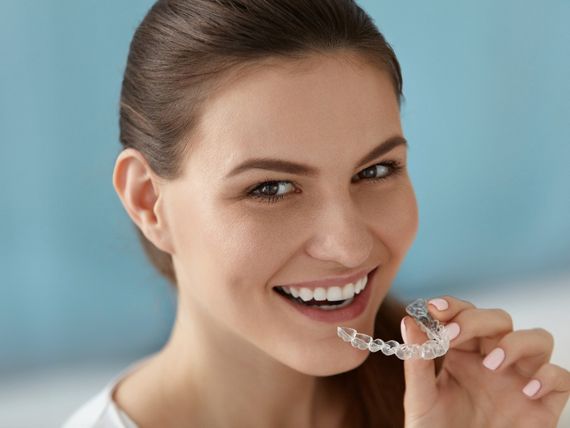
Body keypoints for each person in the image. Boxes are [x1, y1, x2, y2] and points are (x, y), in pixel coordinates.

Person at [62, 0, 570, 427]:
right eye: (272, 188)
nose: (349, 246)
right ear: (149, 202)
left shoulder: (461, 401)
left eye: (374, 171)